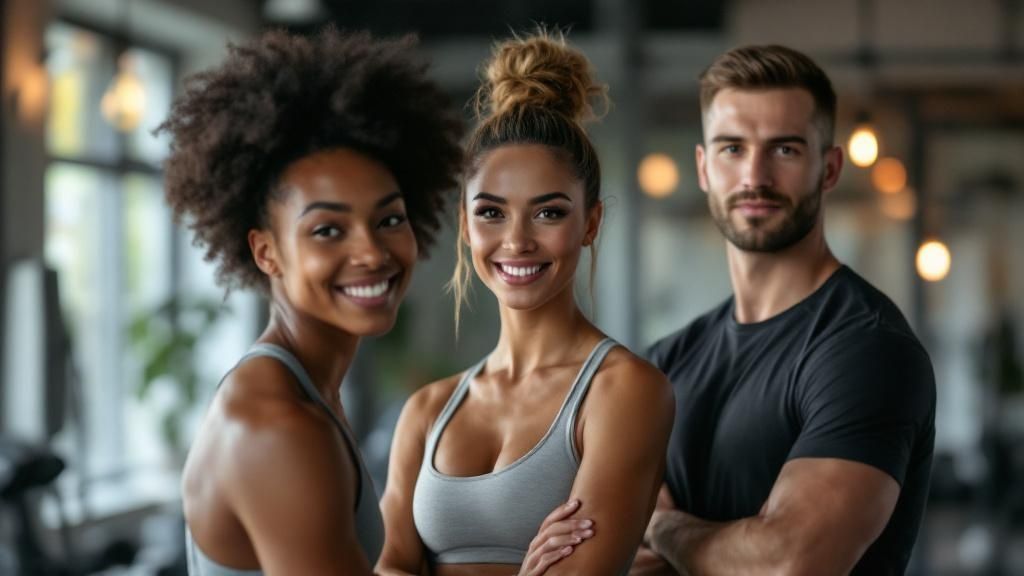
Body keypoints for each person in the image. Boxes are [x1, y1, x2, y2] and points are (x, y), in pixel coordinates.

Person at [160, 28, 464, 575]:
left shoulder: (306, 391)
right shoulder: (279, 426)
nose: (371, 252)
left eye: (389, 219)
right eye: (328, 230)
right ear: (267, 251)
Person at [377, 30, 675, 576]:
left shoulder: (625, 391)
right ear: (466, 226)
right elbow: (388, 565)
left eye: (548, 212)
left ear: (590, 223)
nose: (517, 241)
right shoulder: (426, 412)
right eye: (492, 212)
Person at [633, 45, 936, 576]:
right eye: (731, 148)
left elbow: (790, 562)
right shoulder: (666, 361)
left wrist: (664, 528)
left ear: (830, 167)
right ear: (703, 167)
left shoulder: (867, 349)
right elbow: (606, 549)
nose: (755, 175)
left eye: (786, 150)